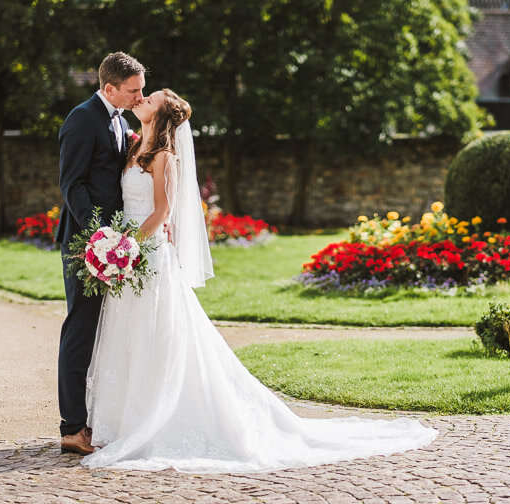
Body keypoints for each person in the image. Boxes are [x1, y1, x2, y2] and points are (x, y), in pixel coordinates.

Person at [81, 89, 437, 472]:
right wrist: (116, 247)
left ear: (161, 114)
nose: (142, 98)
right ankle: (123, 422)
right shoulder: (134, 147)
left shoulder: (164, 156)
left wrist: (126, 245)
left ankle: (155, 419)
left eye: (150, 97)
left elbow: (164, 211)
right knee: (129, 334)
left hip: (146, 255)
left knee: (156, 335)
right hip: (129, 258)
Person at [56, 52, 146, 455]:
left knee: (106, 333)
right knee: (81, 329)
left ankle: (99, 419)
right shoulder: (81, 118)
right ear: (109, 88)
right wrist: (97, 238)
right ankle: (72, 427)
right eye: (133, 90)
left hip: (114, 246)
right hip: (86, 245)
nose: (139, 95)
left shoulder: (121, 121)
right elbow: (72, 184)